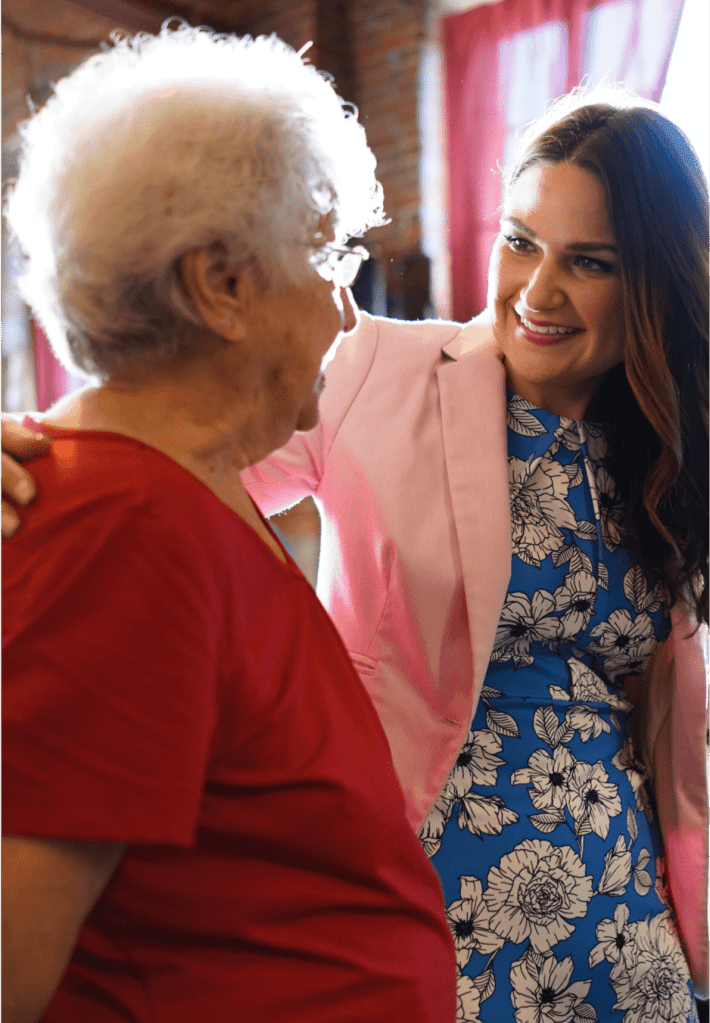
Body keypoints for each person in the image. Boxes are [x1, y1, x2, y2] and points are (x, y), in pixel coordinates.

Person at [3, 85, 707, 1021]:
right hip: (430, 874)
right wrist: (25, 447)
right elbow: (169, 444)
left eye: (590, 262)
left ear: (654, 281)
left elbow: (663, 710)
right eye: (519, 241)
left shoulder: (668, 443)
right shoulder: (379, 368)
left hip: (625, 905)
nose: (537, 291)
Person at [1, 25, 459, 1023]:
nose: (348, 312)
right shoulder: (125, 528)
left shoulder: (183, 490)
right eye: (328, 255)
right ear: (222, 285)